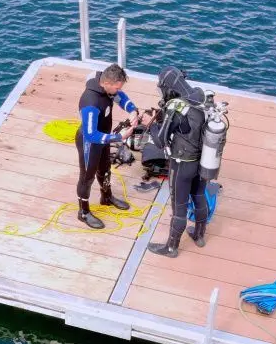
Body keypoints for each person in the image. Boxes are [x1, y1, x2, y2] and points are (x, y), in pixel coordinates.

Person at [147, 66, 209, 258]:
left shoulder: (177, 107)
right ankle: (199, 235)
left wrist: (153, 125)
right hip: (203, 160)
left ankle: (172, 247)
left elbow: (160, 141)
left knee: (179, 206)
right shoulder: (202, 97)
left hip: (182, 164)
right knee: (199, 195)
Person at [75, 64, 141, 229]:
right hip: (89, 142)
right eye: (117, 87)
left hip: (103, 138)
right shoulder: (90, 102)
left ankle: (106, 197)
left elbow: (121, 97)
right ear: (108, 84)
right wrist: (119, 137)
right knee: (86, 177)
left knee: (105, 169)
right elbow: (90, 135)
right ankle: (83, 212)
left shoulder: (107, 87)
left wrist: (132, 111)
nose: (119, 90)